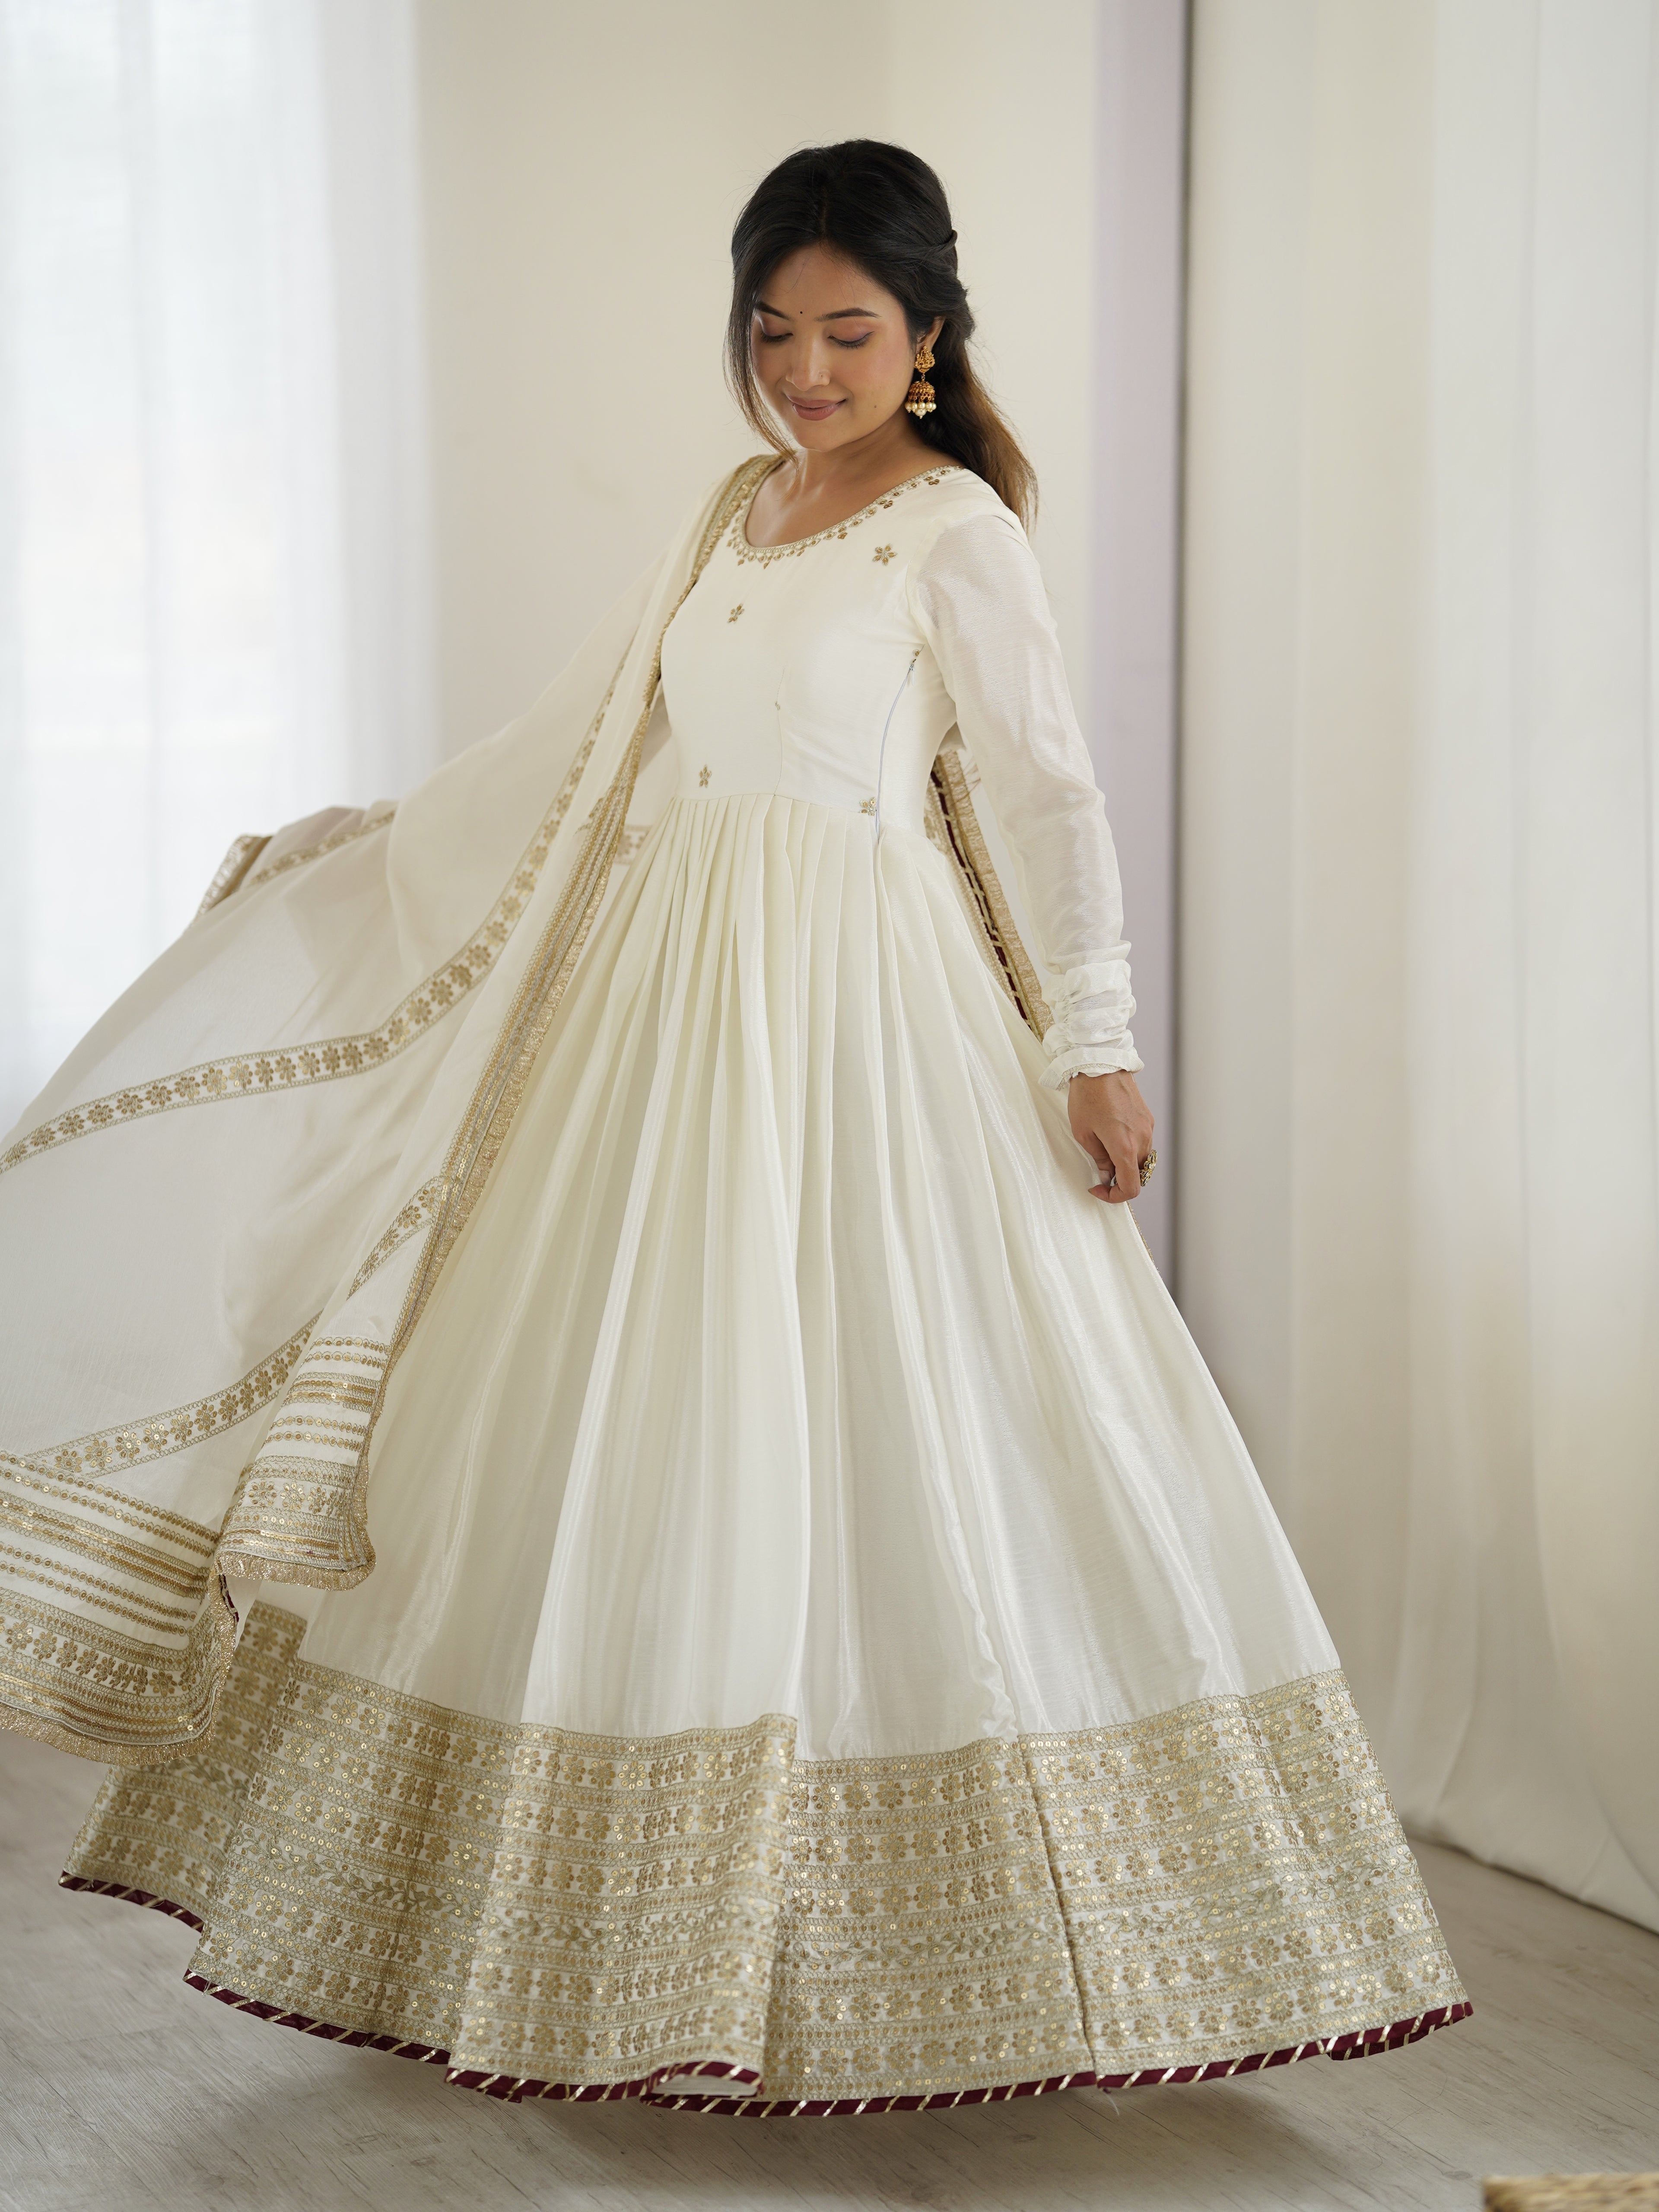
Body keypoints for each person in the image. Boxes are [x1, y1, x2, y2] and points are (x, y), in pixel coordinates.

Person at [0, 141, 1467, 2115]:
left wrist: (1094, 1039)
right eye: (775, 330)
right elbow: (597, 744)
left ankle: (983, 1945)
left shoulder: (954, 530)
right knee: (634, 1412)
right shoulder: (735, 515)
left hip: (870, 1012)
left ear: (930, 338)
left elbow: (1047, 796)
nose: (806, 367)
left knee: (921, 1405)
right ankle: (587, 1934)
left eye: (848, 331)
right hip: (671, 1006)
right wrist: (381, 850)